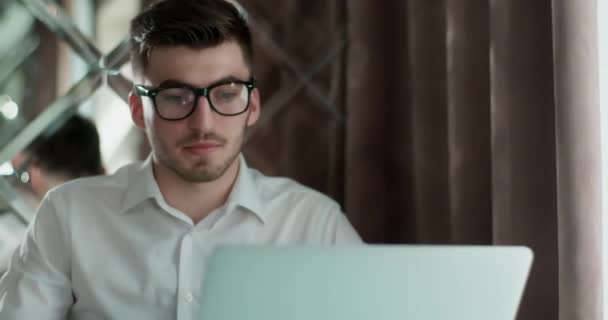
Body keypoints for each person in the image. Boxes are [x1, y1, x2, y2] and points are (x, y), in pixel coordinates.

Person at [0, 0, 362, 319]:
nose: (203, 124)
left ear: (252, 106)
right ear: (140, 111)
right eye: (176, 97)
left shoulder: (314, 224)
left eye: (226, 94)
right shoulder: (68, 216)